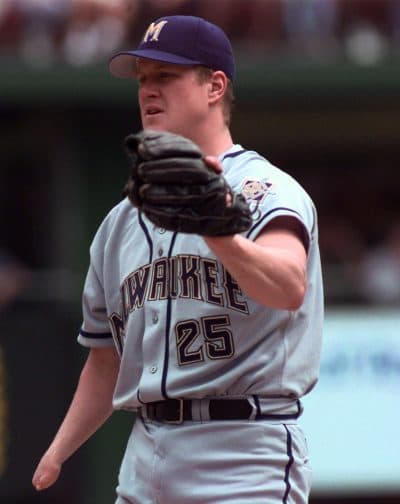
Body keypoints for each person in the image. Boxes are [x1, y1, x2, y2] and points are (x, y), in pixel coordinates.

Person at [32, 15, 324, 504]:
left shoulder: (267, 189)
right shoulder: (118, 223)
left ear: (215, 86)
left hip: (245, 454)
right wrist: (58, 450)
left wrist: (218, 231)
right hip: (146, 456)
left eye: (165, 76)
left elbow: (288, 283)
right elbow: (106, 361)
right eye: (143, 79)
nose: (148, 90)